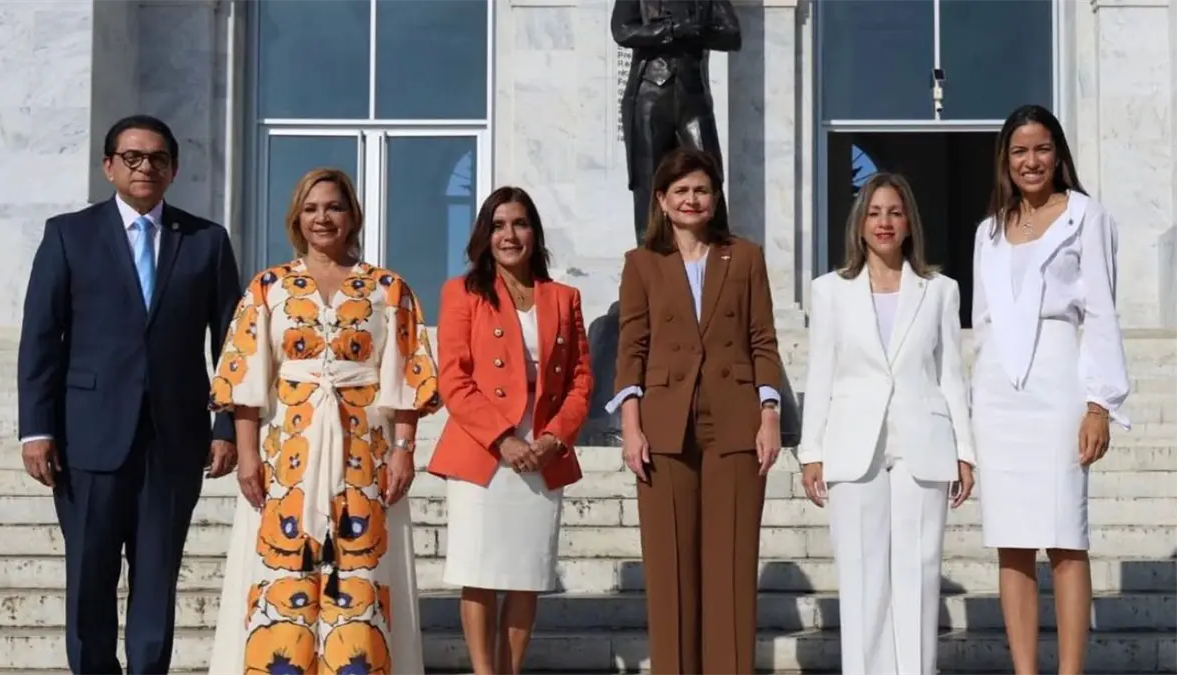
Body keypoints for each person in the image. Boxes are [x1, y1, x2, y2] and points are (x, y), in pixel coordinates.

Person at [16, 114, 242, 675]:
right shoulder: (68, 234)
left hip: (174, 441)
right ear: (108, 166)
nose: (146, 167)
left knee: (157, 580)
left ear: (174, 169)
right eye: (133, 157)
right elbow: (41, 337)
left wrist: (226, 427)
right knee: (88, 580)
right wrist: (36, 429)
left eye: (158, 158)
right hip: (86, 439)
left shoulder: (207, 241)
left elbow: (232, 345)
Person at [205, 168, 442, 673]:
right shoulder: (268, 287)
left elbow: (406, 374)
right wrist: (247, 455)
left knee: (361, 578)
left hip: (366, 456)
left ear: (352, 215)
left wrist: (404, 450)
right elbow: (246, 380)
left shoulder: (387, 288)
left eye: (334, 207)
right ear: (296, 218)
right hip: (286, 456)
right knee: (281, 576)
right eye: (311, 209)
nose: (322, 218)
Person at [607, 146, 783, 675]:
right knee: (671, 574)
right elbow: (632, 348)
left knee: (731, 570)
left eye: (702, 189)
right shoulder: (642, 263)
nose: (692, 199)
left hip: (735, 421)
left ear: (716, 197)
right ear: (661, 199)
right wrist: (631, 426)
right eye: (680, 190)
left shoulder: (745, 257)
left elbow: (763, 340)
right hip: (664, 425)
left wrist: (769, 415)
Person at [971, 104, 1130, 675]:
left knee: (1065, 536)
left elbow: (1103, 313)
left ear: (1057, 153)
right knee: (1011, 541)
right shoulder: (989, 230)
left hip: (1059, 382)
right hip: (998, 394)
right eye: (1019, 151)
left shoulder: (1087, 216)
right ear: (1005, 160)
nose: (1031, 161)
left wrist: (1099, 404)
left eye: (1041, 148)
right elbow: (982, 323)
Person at [796, 173, 976, 674]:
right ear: (859, 224)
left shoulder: (940, 291)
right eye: (874, 213)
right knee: (862, 577)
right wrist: (811, 452)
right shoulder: (829, 291)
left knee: (919, 574)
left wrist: (965, 451)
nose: (884, 222)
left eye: (895, 212)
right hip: (854, 444)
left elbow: (951, 376)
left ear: (909, 223)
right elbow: (821, 372)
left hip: (924, 442)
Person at [429, 186, 593, 675]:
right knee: (478, 572)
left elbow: (582, 379)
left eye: (520, 224)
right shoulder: (462, 293)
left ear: (534, 233)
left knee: (527, 574)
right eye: (498, 225)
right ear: (484, 235)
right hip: (484, 449)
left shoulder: (564, 297)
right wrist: (503, 438)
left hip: (543, 448)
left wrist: (553, 438)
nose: (509, 235)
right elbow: (453, 378)